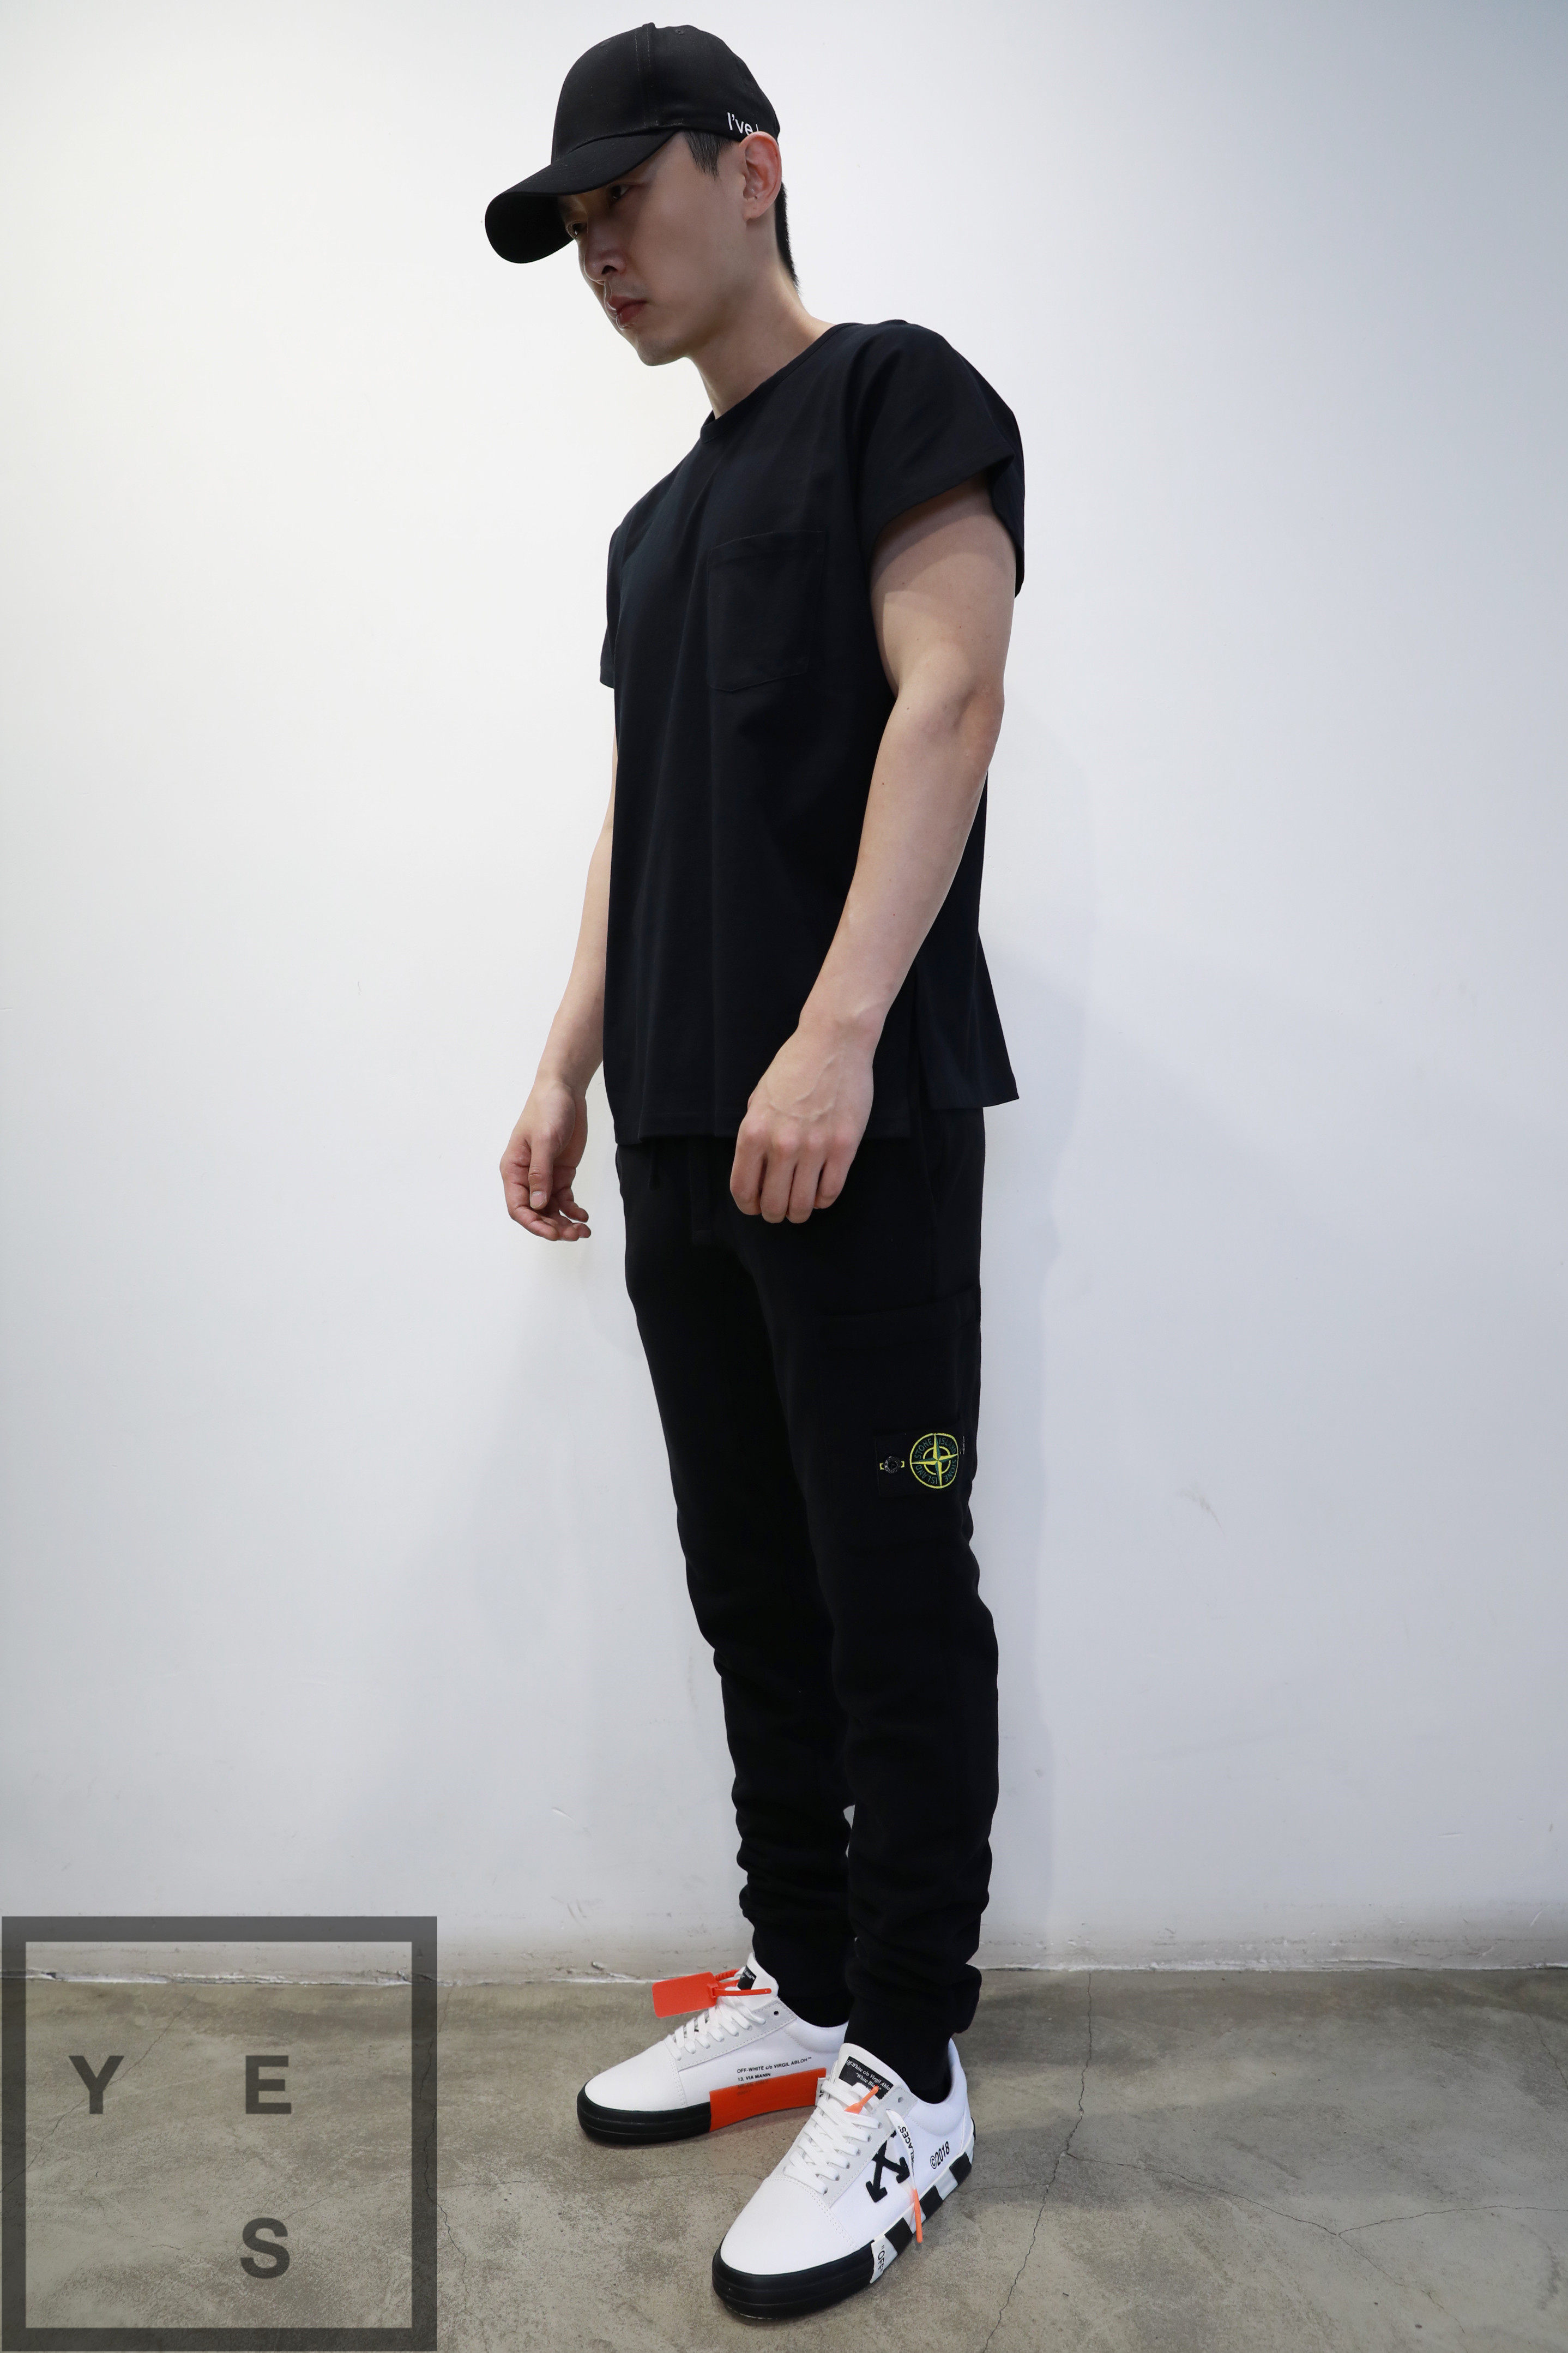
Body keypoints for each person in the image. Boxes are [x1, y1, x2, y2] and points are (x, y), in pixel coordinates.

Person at [487, 22, 1024, 2322]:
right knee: (751, 1582)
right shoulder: (652, 526)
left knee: (889, 1588)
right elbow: (642, 815)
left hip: (850, 1120)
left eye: (627, 195)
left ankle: (911, 2059)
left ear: (752, 167)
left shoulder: (899, 393)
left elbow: (949, 694)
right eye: (572, 224)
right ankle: (803, 1982)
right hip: (685, 1126)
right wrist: (563, 1060)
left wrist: (836, 1025)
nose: (601, 248)